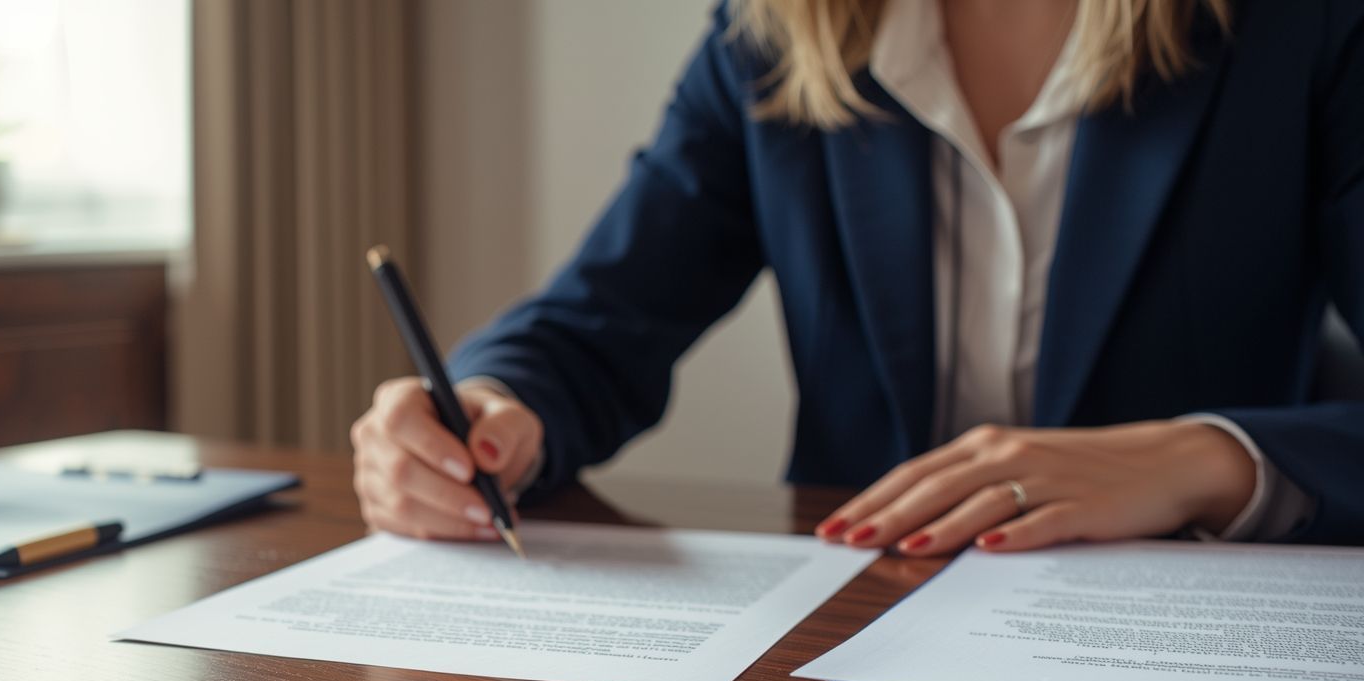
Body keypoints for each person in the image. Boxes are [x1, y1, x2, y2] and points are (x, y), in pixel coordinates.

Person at [351, 0, 1364, 552]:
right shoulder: (770, 36)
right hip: (859, 657)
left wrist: (1201, 458)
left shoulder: (1307, 28)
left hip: (1188, 667)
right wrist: (483, 407)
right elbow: (592, 323)